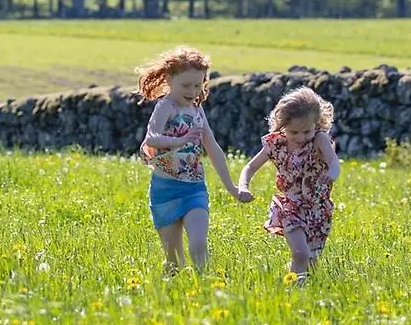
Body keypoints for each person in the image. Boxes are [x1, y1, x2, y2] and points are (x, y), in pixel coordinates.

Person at [136, 47, 250, 274]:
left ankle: (207, 289)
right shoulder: (165, 106)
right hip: (165, 190)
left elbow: (213, 148)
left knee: (198, 244)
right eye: (186, 85)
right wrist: (181, 140)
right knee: (174, 262)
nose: (193, 91)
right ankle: (174, 297)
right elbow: (152, 138)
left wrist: (232, 188)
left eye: (198, 85)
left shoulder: (197, 109)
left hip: (194, 188)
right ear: (169, 80)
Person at [238, 87, 340, 283]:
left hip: (319, 209)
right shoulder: (276, 143)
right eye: (294, 132)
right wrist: (243, 186)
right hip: (291, 206)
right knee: (300, 253)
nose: (301, 137)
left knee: (311, 260)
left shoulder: (319, 139)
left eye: (306, 131)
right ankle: (294, 291)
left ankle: (300, 289)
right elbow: (250, 167)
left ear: (317, 124)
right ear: (282, 125)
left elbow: (334, 161)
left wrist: (332, 173)